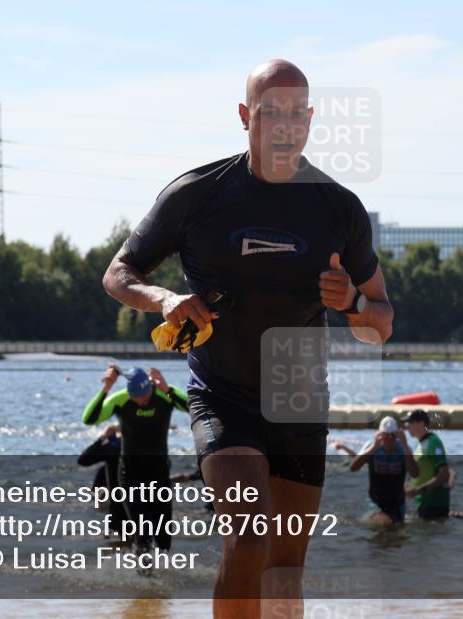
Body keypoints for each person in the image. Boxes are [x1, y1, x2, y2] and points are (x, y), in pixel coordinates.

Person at [102, 59, 393, 618]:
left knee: (285, 572)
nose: (284, 125)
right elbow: (118, 274)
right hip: (222, 395)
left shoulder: (339, 208)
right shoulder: (197, 194)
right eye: (269, 112)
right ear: (244, 116)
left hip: (299, 402)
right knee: (250, 537)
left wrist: (352, 303)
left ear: (310, 120)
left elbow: (382, 321)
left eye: (294, 114)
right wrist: (164, 300)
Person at [82, 364, 189, 554]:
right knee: (143, 531)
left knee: (164, 536)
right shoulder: (120, 399)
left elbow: (192, 407)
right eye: (135, 398)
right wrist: (106, 388)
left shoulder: (165, 394)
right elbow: (90, 419)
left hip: (159, 473)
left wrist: (168, 389)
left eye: (144, 397)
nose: (140, 402)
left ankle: (164, 577)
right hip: (131, 474)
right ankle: (144, 578)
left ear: (150, 388)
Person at [333, 416, 418, 526]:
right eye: (385, 436)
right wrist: (374, 447)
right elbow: (353, 467)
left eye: (392, 436)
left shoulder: (403, 449)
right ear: (379, 435)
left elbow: (415, 473)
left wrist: (405, 444)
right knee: (378, 529)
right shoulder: (372, 447)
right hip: (376, 502)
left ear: (397, 436)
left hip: (397, 503)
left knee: (397, 533)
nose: (388, 439)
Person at [76, 423, 128, 535]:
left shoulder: (114, 447)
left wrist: (103, 437)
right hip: (145, 512)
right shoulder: (150, 448)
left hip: (118, 515)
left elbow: (83, 460)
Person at [402, 409, 451, 520]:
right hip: (422, 503)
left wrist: (418, 491)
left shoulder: (433, 442)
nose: (406, 426)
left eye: (410, 422)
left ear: (421, 424)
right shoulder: (421, 444)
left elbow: (444, 474)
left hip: (433, 504)